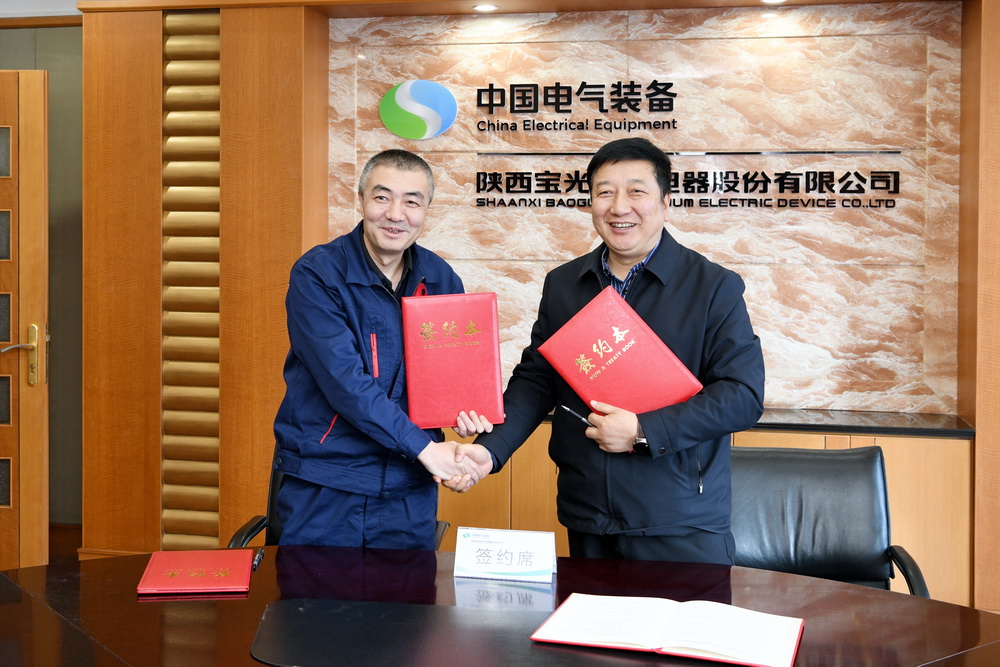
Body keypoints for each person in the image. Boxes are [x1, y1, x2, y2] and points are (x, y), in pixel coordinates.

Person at [452, 137, 765, 565]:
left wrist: (642, 429)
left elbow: (742, 396)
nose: (619, 207)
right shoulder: (565, 284)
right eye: (605, 192)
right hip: (588, 516)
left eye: (636, 191)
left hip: (679, 520)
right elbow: (537, 380)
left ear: (665, 201)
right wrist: (490, 449)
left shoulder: (712, 286)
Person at [272, 149, 491, 550]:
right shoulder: (318, 274)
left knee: (407, 594)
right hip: (327, 484)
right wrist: (427, 450)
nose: (395, 214)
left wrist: (462, 413)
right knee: (314, 593)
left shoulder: (441, 279)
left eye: (412, 202)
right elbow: (345, 384)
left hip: (409, 491)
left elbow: (448, 375)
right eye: (381, 197)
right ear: (361, 199)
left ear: (427, 210)